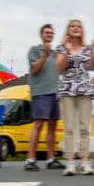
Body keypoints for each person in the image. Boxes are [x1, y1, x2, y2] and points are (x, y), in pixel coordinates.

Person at [56, 19, 94, 176]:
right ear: (68, 30)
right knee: (69, 128)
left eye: (79, 26)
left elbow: (92, 67)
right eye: (73, 26)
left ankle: (85, 162)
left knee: (84, 127)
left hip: (84, 90)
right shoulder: (61, 48)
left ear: (82, 31)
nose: (76, 28)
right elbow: (60, 69)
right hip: (67, 90)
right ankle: (70, 163)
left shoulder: (86, 49)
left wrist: (92, 51)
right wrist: (66, 51)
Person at [24, 24, 64, 171]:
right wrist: (44, 55)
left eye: (52, 33)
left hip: (55, 92)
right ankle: (30, 159)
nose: (49, 35)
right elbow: (33, 70)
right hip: (41, 92)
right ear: (41, 34)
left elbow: (60, 69)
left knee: (52, 126)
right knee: (38, 124)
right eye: (47, 32)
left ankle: (51, 158)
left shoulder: (55, 54)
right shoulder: (35, 50)